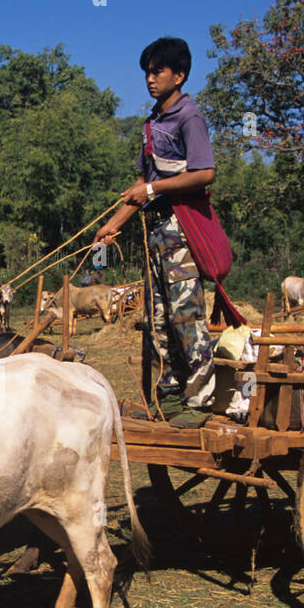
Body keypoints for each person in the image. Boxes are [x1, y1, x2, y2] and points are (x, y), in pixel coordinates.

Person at [94, 37, 218, 429]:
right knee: (158, 316)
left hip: (183, 230)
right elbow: (141, 182)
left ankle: (199, 400)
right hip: (155, 232)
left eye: (157, 71)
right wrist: (114, 224)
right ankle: (167, 397)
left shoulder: (188, 116)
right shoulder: (152, 123)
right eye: (146, 71)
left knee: (187, 314)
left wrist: (151, 189)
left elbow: (205, 172)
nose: (149, 78)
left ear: (178, 75)